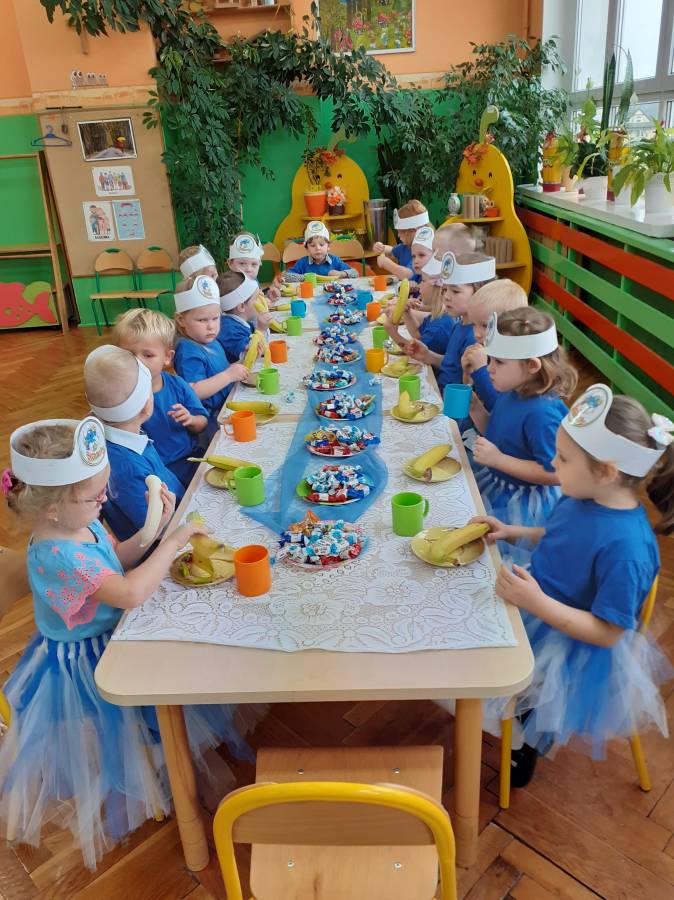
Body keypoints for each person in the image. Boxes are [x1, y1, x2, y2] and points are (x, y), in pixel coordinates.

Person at [0, 418, 258, 868]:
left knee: (158, 709)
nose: (104, 501)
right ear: (53, 508)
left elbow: (115, 561)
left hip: (113, 631)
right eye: (93, 496)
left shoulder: (80, 524)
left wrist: (150, 533)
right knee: (133, 722)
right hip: (90, 659)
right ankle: (162, 776)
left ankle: (165, 758)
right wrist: (173, 540)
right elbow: (129, 591)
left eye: (103, 491)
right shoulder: (59, 554)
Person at [472, 385, 674, 784]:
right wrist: (513, 531)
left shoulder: (628, 549)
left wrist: (535, 602)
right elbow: (558, 535)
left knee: (530, 695)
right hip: (540, 595)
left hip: (569, 641)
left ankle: (525, 746)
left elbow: (609, 632)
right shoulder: (582, 494)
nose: (552, 462)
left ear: (607, 471)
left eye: (563, 458)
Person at [470, 308, 577, 558]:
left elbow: (556, 474)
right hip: (497, 484)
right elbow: (502, 437)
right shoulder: (513, 390)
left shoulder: (542, 414)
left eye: (499, 362)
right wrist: (476, 410)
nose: (489, 369)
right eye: (490, 359)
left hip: (522, 504)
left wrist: (499, 460)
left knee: (499, 558)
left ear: (531, 365)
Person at [83, 345, 184, 541]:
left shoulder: (126, 438)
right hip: (166, 542)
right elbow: (155, 529)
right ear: (146, 407)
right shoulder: (126, 467)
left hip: (180, 510)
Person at [112, 308, 208, 488]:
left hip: (189, 462)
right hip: (150, 474)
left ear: (167, 357)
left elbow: (202, 422)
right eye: (129, 354)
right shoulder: (117, 393)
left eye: (148, 355)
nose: (138, 362)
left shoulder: (177, 385)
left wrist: (190, 419)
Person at [407, 251, 497, 393]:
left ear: (480, 294)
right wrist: (428, 356)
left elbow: (473, 389)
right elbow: (452, 365)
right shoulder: (459, 325)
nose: (447, 296)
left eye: (455, 291)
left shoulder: (476, 337)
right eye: (445, 289)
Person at [173, 275, 249, 438]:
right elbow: (193, 391)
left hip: (227, 406)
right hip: (211, 421)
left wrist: (241, 362)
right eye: (202, 320)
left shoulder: (210, 340)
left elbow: (218, 369)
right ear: (181, 320)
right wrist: (228, 375)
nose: (211, 326)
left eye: (215, 318)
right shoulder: (187, 350)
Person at [461, 279, 529, 412]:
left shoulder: (511, 363)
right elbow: (472, 398)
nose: (477, 334)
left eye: (485, 325)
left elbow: (498, 407)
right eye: (474, 324)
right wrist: (467, 373)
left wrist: (481, 369)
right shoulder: (485, 350)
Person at [216, 271, 271, 364]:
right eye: (256, 298)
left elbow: (263, 347)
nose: (261, 301)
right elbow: (250, 357)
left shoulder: (244, 321)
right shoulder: (229, 329)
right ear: (241, 306)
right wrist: (261, 330)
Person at [373, 200, 430, 280]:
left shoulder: (422, 252)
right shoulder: (405, 247)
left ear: (413, 231)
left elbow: (408, 274)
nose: (398, 235)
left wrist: (387, 264)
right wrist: (381, 247)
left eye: (401, 232)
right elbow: (391, 251)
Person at [284, 221, 359, 281]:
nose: (317, 248)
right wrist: (305, 277)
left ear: (328, 246)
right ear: (307, 249)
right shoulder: (302, 263)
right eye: (313, 245)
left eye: (321, 244)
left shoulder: (335, 260)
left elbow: (355, 273)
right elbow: (286, 276)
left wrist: (341, 274)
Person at [227, 232, 281, 304]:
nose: (248, 269)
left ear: (260, 263)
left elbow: (255, 298)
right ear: (230, 263)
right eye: (242, 263)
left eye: (254, 264)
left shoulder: (253, 280)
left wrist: (268, 296)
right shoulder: (228, 288)